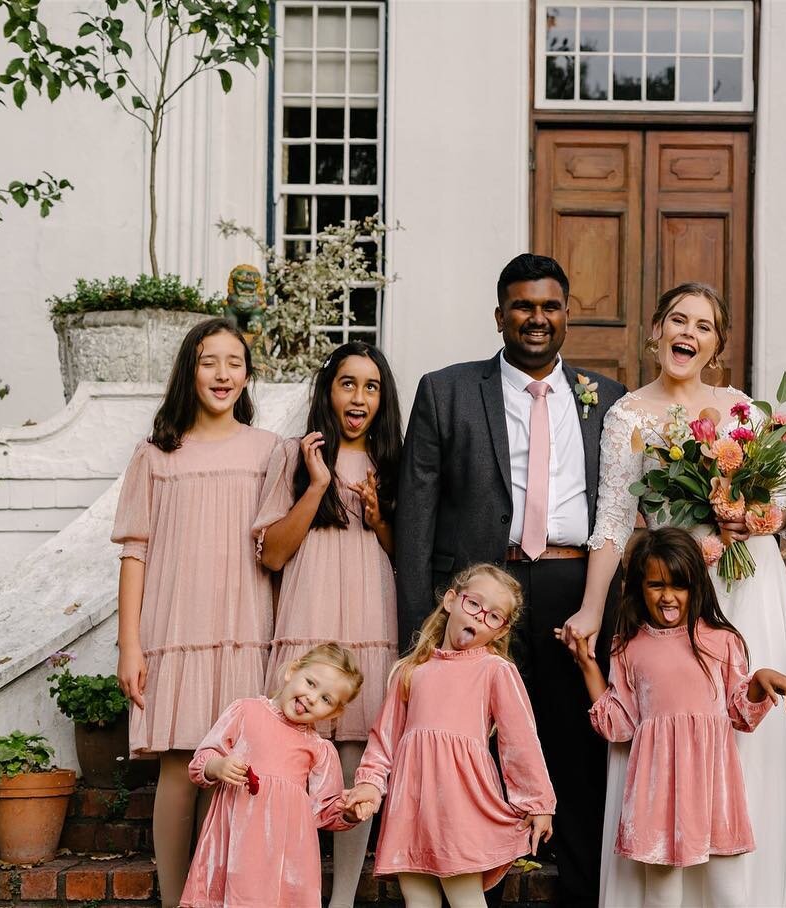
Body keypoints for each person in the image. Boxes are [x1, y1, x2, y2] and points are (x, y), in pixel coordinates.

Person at [563, 282, 786, 907]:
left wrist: (747, 514)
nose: (689, 333)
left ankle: (749, 891)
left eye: (704, 326)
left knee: (743, 729)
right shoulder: (627, 416)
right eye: (678, 320)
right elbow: (614, 522)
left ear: (717, 345)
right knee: (666, 719)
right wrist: (593, 608)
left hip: (747, 585)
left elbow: (785, 502)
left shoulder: (744, 412)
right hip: (670, 596)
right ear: (656, 330)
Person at [392, 253, 625, 907]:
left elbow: (621, 508)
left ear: (568, 315)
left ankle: (580, 891)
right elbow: (416, 516)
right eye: (523, 306)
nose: (537, 318)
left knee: (576, 747)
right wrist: (420, 633)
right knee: (472, 750)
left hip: (570, 589)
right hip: (477, 599)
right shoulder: (446, 391)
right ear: (499, 315)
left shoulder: (608, 400)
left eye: (550, 306)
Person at [112, 318, 279, 907]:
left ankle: (222, 897)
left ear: (248, 374)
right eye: (210, 361)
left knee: (231, 763)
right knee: (182, 763)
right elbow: (135, 552)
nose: (223, 374)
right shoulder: (156, 454)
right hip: (176, 628)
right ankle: (174, 898)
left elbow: (282, 548)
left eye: (235, 362)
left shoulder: (269, 452)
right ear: (189, 369)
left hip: (246, 627)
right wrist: (128, 645)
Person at [562, 527, 786, 908]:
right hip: (658, 794)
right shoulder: (629, 646)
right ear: (640, 587)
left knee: (729, 894)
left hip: (714, 789)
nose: (668, 596)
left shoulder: (721, 640)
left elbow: (739, 713)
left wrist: (758, 682)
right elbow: (619, 725)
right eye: (656, 585)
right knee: (662, 895)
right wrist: (587, 665)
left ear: (696, 586)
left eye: (679, 586)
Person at [253, 340, 403, 906]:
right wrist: (317, 486)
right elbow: (271, 554)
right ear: (328, 391)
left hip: (370, 607)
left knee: (356, 756)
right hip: (311, 605)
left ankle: (341, 897)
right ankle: (289, 889)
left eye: (371, 386)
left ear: (382, 398)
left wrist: (377, 518)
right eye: (348, 383)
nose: (359, 396)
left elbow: (398, 550)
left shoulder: (393, 461)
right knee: (291, 747)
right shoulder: (295, 455)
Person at [344, 564, 555, 908]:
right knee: (418, 899)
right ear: (451, 601)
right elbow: (384, 740)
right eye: (474, 605)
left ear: (501, 630)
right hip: (411, 806)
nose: (480, 617)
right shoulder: (411, 672)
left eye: (494, 616)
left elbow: (520, 742)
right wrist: (369, 783)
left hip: (460, 808)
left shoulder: (495, 670)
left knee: (464, 897)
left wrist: (538, 802)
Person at [179, 643, 364, 908]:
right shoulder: (245, 711)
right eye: (311, 683)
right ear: (292, 671)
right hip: (237, 843)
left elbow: (325, 811)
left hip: (285, 856)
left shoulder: (320, 749)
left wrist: (348, 812)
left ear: (334, 713)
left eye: (326, 699)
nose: (312, 698)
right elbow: (200, 762)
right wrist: (218, 766)